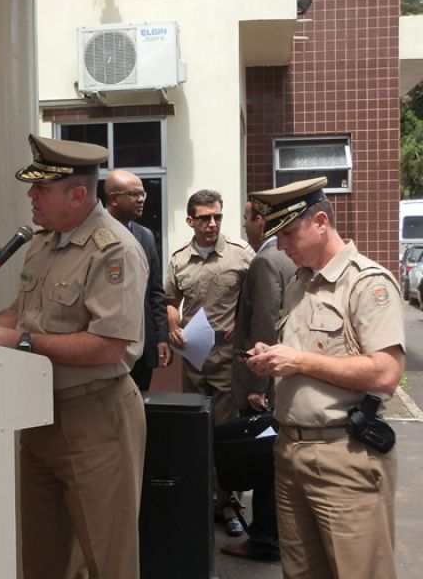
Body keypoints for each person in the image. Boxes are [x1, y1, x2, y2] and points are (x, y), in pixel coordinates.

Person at [0, 134, 148, 579]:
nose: (31, 195)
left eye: (42, 188)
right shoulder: (43, 241)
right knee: (40, 559)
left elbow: (109, 345)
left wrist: (21, 342)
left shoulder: (114, 249)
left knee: (108, 561)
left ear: (77, 195)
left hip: (96, 417)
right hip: (38, 416)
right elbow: (23, 312)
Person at [245, 177, 405, 579]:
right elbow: (305, 354)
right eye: (276, 236)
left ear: (320, 222)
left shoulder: (366, 282)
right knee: (300, 572)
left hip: (343, 456)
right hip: (290, 450)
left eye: (288, 233)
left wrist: (298, 361)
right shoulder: (299, 283)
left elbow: (386, 373)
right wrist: (273, 358)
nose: (281, 245)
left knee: (360, 571)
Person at [164, 189, 254, 537]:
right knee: (196, 431)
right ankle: (201, 498)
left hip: (228, 360)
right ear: (190, 221)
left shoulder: (241, 255)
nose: (212, 223)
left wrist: (241, 323)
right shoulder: (179, 260)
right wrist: (173, 325)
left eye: (217, 216)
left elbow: (256, 298)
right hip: (193, 358)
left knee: (225, 433)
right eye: (204, 218)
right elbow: (171, 300)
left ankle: (227, 504)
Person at [219, 195, 296, 562]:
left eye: (247, 219)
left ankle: (265, 538)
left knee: (266, 461)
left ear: (260, 222)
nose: (244, 225)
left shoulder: (266, 260)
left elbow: (266, 323)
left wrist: (256, 386)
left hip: (265, 379)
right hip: (282, 377)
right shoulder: (284, 258)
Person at [104, 169, 172, 391]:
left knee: (141, 405)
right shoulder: (94, 232)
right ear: (113, 199)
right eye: (134, 194)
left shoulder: (145, 236)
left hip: (142, 346)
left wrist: (161, 337)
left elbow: (155, 292)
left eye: (143, 194)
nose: (141, 199)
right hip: (106, 345)